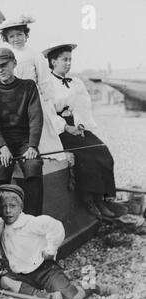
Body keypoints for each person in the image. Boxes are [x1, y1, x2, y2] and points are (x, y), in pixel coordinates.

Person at [0, 184, 116, 299]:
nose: (8, 211)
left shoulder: (30, 222)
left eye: (12, 206)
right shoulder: (2, 226)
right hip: (21, 275)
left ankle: (91, 287)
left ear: (21, 207)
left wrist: (51, 249)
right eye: (3, 206)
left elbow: (56, 227)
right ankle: (42, 296)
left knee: (73, 297)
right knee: (5, 281)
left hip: (45, 270)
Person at [42, 43, 116, 218]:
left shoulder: (76, 82)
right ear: (53, 61)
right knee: (86, 155)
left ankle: (102, 199)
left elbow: (83, 108)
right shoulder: (46, 84)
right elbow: (48, 112)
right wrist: (67, 127)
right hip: (59, 129)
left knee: (102, 151)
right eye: (64, 59)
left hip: (76, 125)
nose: (68, 63)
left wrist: (81, 126)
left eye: (70, 60)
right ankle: (89, 200)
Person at [0, 15, 64, 159]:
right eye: (11, 36)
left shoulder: (34, 54)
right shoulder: (5, 56)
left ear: (26, 35)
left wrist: (47, 101)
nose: (16, 38)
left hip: (32, 99)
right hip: (11, 101)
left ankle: (45, 157)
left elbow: (44, 80)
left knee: (39, 129)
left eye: (19, 34)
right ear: (6, 39)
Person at [0, 48, 44, 216]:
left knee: (33, 166)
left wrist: (32, 146)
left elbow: (35, 118)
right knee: (1, 171)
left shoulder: (28, 86)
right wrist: (2, 147)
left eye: (4, 65)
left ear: (14, 63)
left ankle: (33, 219)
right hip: (4, 141)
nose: (0, 70)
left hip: (25, 141)